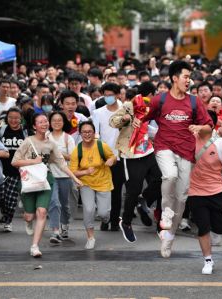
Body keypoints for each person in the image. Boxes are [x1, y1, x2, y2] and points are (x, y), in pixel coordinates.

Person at [133, 60, 213, 258]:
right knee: (169, 176)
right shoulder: (159, 100)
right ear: (175, 79)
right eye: (186, 77)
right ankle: (166, 214)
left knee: (183, 196)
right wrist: (134, 119)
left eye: (190, 77)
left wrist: (199, 127)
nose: (189, 80)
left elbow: (209, 125)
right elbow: (142, 116)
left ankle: (169, 236)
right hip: (164, 147)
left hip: (186, 152)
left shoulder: (194, 102)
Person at [12, 113, 82, 257]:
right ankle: (29, 221)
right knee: (29, 216)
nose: (44, 124)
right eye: (40, 122)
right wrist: (33, 161)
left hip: (45, 180)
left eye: (45, 122)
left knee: (42, 212)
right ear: (34, 126)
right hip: (28, 181)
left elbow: (62, 164)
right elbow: (15, 162)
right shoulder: (27, 141)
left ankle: (34, 246)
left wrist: (75, 178)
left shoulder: (51, 144)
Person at [188, 110, 222, 274]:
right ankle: (208, 260)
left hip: (216, 190)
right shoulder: (189, 139)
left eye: (202, 123)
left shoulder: (221, 143)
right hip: (195, 191)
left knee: (219, 228)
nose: (198, 126)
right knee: (203, 227)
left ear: (210, 125)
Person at [109, 82, 162, 242]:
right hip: (132, 155)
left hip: (148, 151)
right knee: (133, 189)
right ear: (150, 94)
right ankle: (126, 223)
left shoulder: (151, 107)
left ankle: (143, 199)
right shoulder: (129, 104)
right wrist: (125, 118)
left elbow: (148, 128)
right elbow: (113, 121)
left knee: (161, 180)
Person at [69, 121, 116, 249]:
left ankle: (105, 218)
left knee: (103, 213)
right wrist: (85, 171)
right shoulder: (77, 151)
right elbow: (73, 172)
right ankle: (90, 237)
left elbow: (112, 157)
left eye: (89, 132)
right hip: (86, 183)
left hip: (103, 181)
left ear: (94, 133)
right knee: (88, 209)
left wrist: (111, 160)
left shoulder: (102, 146)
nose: (87, 134)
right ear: (80, 133)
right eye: (84, 132)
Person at [92, 83, 125, 231]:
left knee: (116, 191)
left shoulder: (125, 110)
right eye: (106, 95)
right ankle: (105, 218)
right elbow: (94, 134)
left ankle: (114, 219)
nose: (108, 98)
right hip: (103, 157)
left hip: (120, 156)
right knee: (103, 190)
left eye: (111, 95)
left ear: (118, 94)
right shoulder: (98, 113)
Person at [0, 107, 26, 232]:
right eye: (11, 118)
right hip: (0, 170)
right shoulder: (1, 131)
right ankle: (4, 214)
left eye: (16, 118)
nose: (13, 120)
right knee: (0, 197)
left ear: (21, 119)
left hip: (16, 172)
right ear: (7, 118)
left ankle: (8, 221)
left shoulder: (25, 133)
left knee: (11, 198)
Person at [47, 111, 75, 242]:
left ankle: (65, 225)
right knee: (54, 202)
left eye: (59, 120)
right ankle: (55, 231)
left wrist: (57, 154)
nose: (57, 122)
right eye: (54, 120)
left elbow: (72, 157)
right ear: (49, 122)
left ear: (64, 122)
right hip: (49, 175)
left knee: (64, 204)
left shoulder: (67, 138)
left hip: (65, 175)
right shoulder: (45, 136)